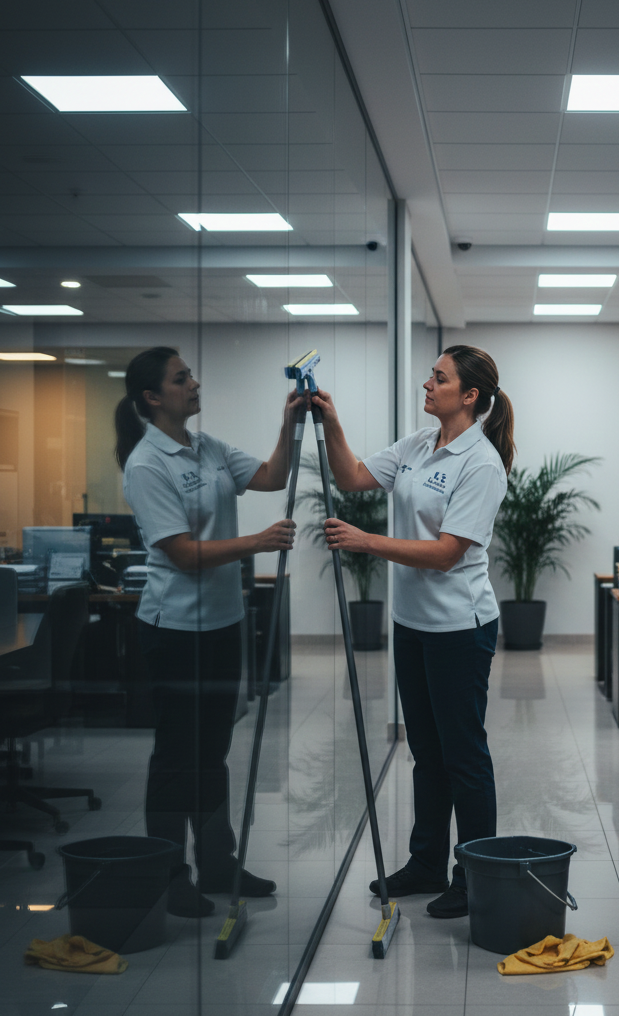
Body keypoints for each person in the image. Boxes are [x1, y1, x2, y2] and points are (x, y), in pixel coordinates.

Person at [311, 344, 514, 918]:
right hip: (414, 623)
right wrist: (330, 419)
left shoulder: (481, 463)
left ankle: (474, 877)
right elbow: (351, 477)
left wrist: (365, 542)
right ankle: (425, 864)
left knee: (463, 757)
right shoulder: (420, 444)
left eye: (439, 377)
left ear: (468, 395)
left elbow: (449, 554)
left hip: (459, 627)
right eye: (431, 375)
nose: (428, 384)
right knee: (426, 752)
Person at [116, 346, 307, 918]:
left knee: (213, 752)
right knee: (177, 757)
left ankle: (219, 864)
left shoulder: (209, 447)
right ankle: (169, 874)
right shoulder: (148, 465)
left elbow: (272, 477)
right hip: (176, 631)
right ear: (153, 398)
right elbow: (183, 555)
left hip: (223, 624)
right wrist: (258, 543)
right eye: (181, 379)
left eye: (191, 374)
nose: (194, 384)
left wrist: (290, 423)